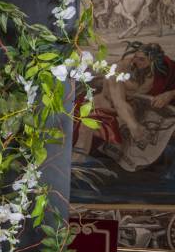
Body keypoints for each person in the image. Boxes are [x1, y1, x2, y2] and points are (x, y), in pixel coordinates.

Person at [75, 42, 175, 172]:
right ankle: (76, 169)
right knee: (86, 130)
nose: (136, 61)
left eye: (142, 59)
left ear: (154, 61)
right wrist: (135, 127)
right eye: (135, 57)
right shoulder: (119, 70)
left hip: (135, 109)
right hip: (105, 108)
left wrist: (170, 94)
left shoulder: (164, 69)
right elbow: (119, 103)